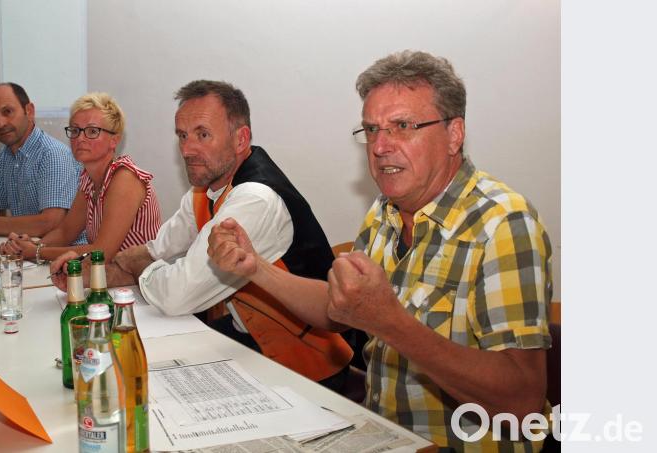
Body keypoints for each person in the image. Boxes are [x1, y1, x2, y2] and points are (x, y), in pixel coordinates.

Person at [207, 51, 553, 452]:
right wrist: (256, 269)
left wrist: (389, 322)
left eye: (402, 126)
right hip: (385, 438)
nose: (381, 146)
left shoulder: (502, 224)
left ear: (454, 134)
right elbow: (340, 307)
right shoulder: (385, 210)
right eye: (372, 130)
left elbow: (521, 403)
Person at [52, 80, 353, 391]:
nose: (187, 149)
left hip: (305, 367)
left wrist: (138, 267)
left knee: (136, 383)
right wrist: (91, 274)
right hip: (244, 339)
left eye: (203, 135)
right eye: (182, 136)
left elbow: (176, 294)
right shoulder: (205, 190)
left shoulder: (254, 199)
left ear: (241, 139)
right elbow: (156, 250)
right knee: (129, 369)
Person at [0, 92, 161, 262]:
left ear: (114, 140)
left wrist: (35, 252)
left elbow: (102, 252)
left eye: (92, 131)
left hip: (139, 277)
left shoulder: (125, 178)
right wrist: (27, 247)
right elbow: (65, 232)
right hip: (110, 274)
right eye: (75, 130)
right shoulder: (89, 179)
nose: (80, 138)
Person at [0, 82, 83, 240]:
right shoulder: (5, 156)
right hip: (27, 249)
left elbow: (51, 222)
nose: (0, 123)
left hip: (66, 252)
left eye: (7, 112)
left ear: (29, 111)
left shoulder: (53, 154)